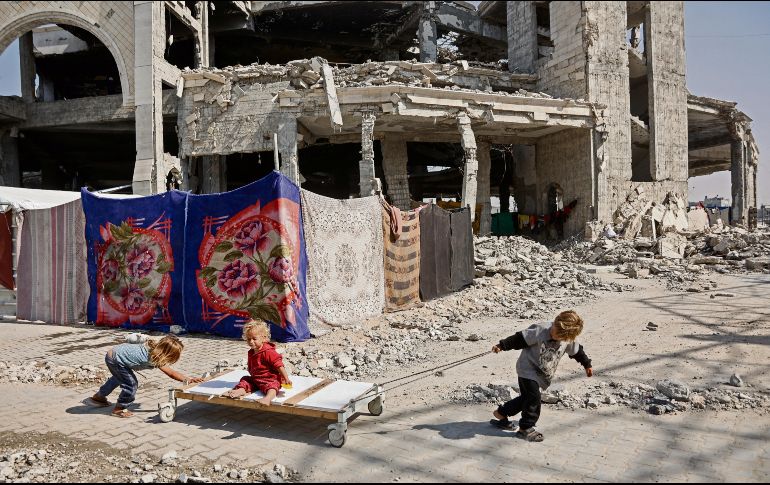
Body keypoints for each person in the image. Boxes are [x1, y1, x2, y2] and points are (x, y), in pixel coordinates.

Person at [490, 310, 593, 442]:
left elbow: (577, 352)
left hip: (543, 374)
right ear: (555, 321)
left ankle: (501, 413)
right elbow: (519, 339)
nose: (554, 334)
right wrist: (502, 345)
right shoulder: (540, 330)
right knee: (534, 398)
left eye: (559, 336)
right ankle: (525, 428)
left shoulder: (568, 339)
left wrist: (587, 364)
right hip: (527, 369)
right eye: (554, 330)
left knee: (527, 398)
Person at [89, 334, 203, 418]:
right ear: (167, 353)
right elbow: (171, 373)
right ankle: (119, 409)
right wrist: (189, 379)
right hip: (116, 360)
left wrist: (189, 379)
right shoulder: (154, 358)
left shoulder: (153, 348)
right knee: (131, 384)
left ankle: (99, 397)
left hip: (115, 355)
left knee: (118, 378)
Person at [225, 320, 292, 406]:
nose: (251, 341)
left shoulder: (268, 352)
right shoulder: (252, 351)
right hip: (256, 379)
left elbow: (279, 365)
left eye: (254, 339)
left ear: (263, 338)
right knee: (245, 379)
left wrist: (285, 378)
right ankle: (240, 390)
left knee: (273, 386)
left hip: (269, 379)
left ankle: (267, 398)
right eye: (249, 339)